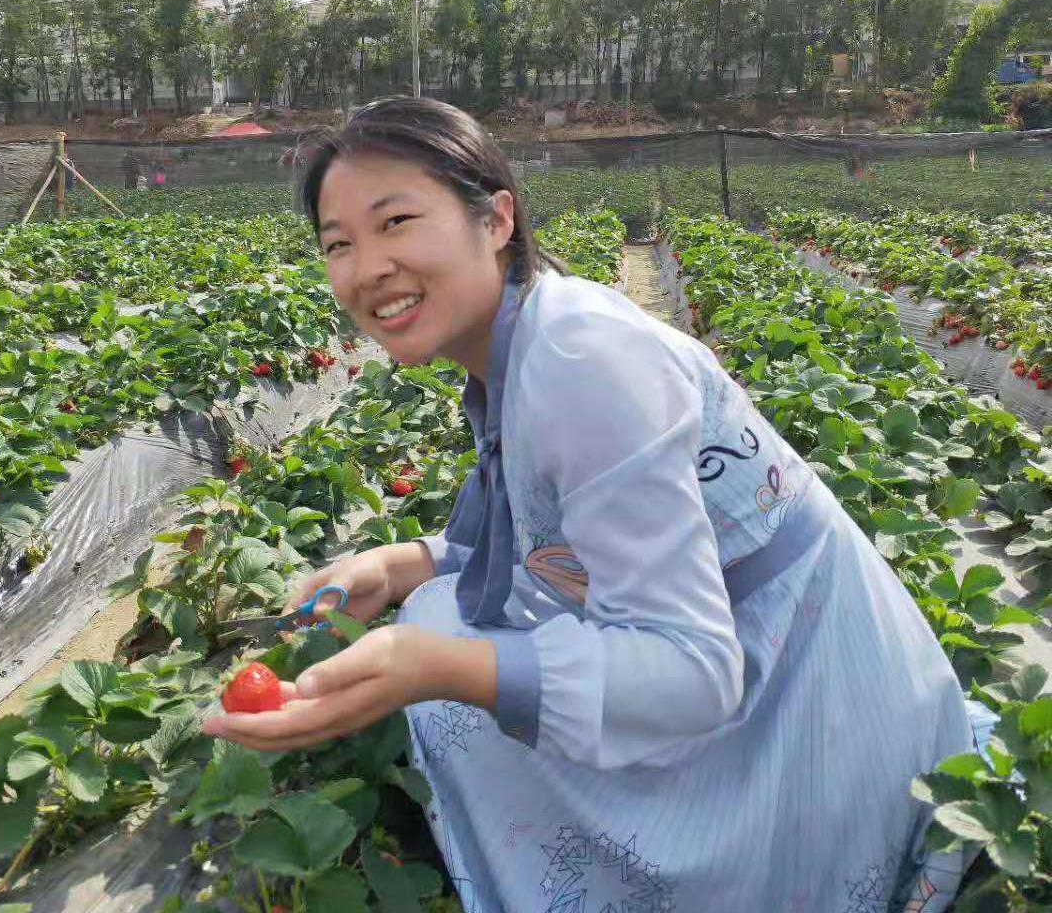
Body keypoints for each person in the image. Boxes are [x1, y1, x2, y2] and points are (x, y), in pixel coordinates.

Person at [204, 97, 989, 913]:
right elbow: (561, 535)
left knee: (448, 661)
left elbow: (694, 674)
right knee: (439, 616)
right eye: (339, 244)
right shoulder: (528, 335)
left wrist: (430, 671)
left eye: (396, 221)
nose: (367, 268)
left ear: (496, 217)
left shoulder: (581, 362)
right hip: (792, 656)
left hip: (812, 713)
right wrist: (406, 561)